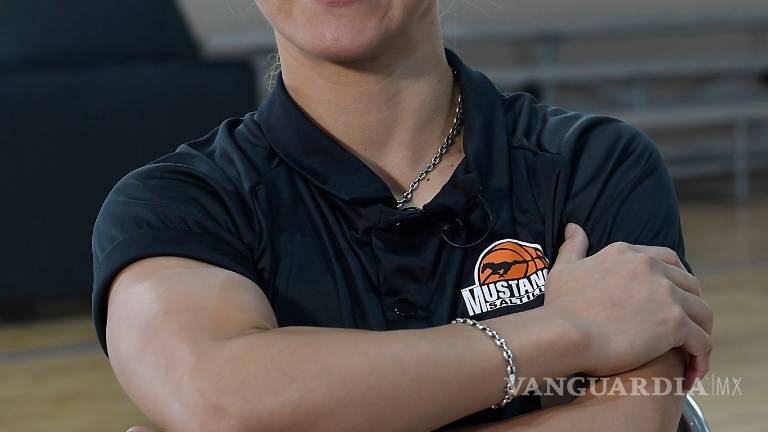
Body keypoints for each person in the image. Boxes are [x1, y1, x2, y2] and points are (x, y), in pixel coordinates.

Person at [91, 1, 714, 431]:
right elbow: (221, 404)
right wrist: (567, 330)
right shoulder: (176, 207)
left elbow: (629, 424)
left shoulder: (591, 165)